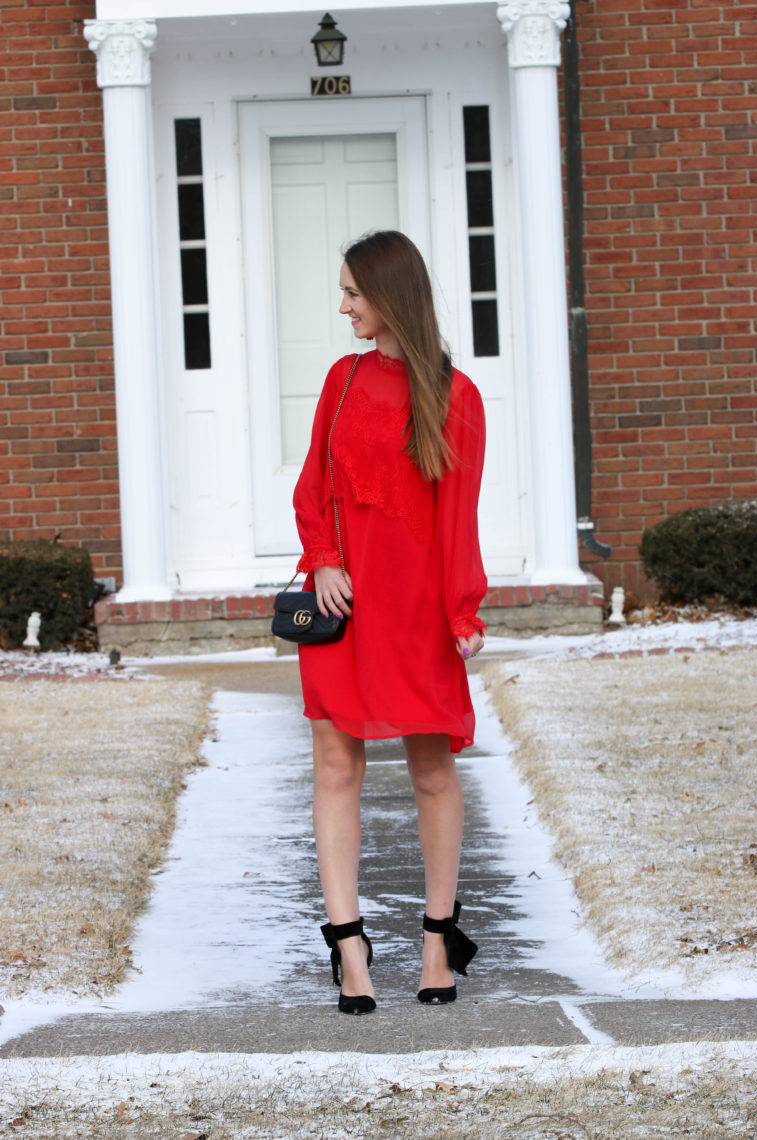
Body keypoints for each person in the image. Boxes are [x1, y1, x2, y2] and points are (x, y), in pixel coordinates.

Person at [293, 230, 487, 1014]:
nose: (343, 307)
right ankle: (350, 948)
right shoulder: (340, 381)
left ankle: (439, 938)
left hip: (416, 614)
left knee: (434, 772)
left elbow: (458, 518)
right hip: (343, 609)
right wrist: (325, 557)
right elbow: (313, 488)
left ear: (390, 296)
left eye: (353, 294)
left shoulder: (456, 395)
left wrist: (461, 610)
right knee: (337, 766)